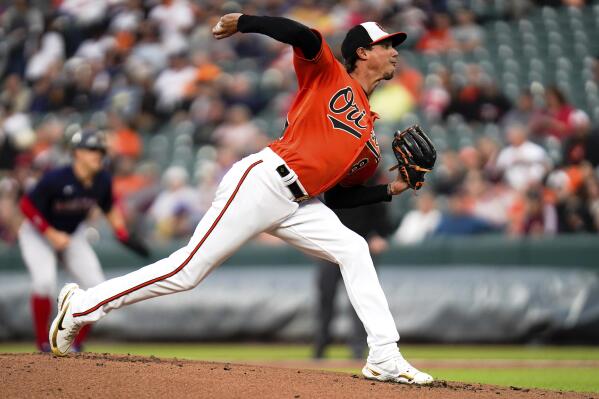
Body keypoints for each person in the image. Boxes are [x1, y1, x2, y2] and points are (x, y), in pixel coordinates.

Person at [49, 13, 434, 385]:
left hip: (302, 203)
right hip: (265, 181)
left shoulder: (369, 132)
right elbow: (306, 36)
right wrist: (247, 22)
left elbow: (336, 196)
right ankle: (84, 305)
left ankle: (384, 355)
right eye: (386, 45)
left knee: (354, 248)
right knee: (186, 272)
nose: (395, 51)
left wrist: (390, 189)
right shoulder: (328, 74)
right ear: (363, 52)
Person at [18, 129, 147, 352]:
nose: (98, 154)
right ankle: (42, 344)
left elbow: (108, 207)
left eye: (101, 150)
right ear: (77, 153)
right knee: (44, 282)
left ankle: (74, 344)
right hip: (37, 233)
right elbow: (26, 206)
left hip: (72, 233)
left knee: (98, 288)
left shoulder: (103, 179)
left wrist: (121, 233)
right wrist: (50, 233)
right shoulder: (57, 178)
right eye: (92, 150)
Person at [314, 175, 393, 360]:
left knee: (361, 301)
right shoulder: (331, 186)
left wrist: (378, 236)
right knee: (325, 299)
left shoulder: (369, 187)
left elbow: (384, 224)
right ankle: (320, 347)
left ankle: (358, 349)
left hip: (361, 250)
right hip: (331, 251)